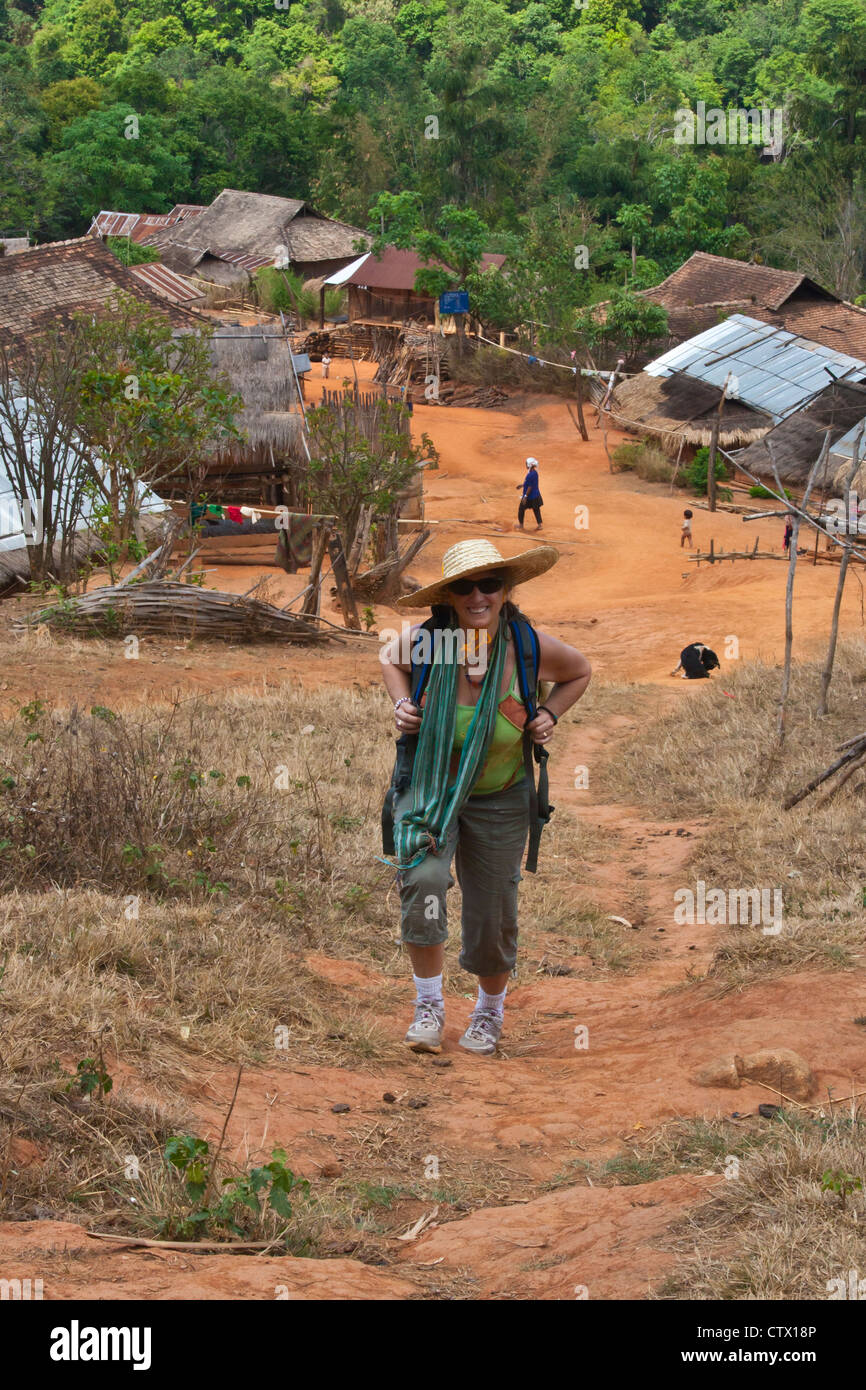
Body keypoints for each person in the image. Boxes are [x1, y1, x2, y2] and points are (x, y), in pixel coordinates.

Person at [380, 539, 591, 1056]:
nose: (477, 596)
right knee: (424, 879)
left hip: (500, 795)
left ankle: (489, 1012)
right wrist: (403, 703)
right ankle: (428, 1007)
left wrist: (549, 714)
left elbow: (580, 671)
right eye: (463, 586)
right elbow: (389, 658)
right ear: (448, 595)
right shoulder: (431, 643)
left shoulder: (526, 648)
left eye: (489, 584)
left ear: (507, 589)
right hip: (430, 788)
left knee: (492, 907)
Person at [517, 458, 543, 530]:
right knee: (536, 510)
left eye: (526, 463)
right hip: (536, 496)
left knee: (521, 509)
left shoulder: (530, 475)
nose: (525, 465)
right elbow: (529, 483)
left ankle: (521, 525)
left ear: (529, 465)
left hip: (529, 497)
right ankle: (540, 525)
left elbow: (530, 487)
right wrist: (522, 485)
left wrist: (525, 496)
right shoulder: (534, 472)